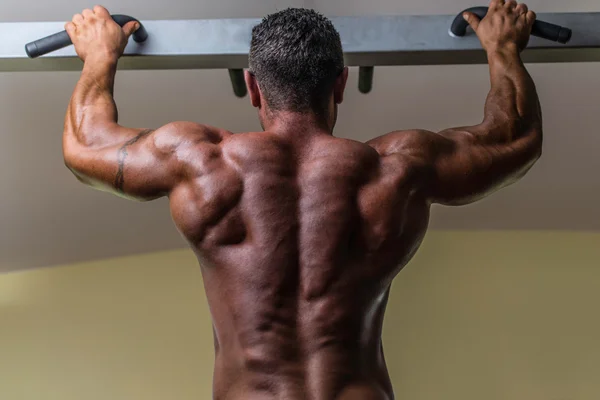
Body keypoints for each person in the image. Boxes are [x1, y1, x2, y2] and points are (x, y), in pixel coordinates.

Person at [62, 1, 542, 398]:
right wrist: (501, 47)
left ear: (252, 88)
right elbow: (512, 139)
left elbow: (87, 145)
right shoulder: (396, 170)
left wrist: (100, 55)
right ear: (341, 83)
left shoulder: (202, 163)